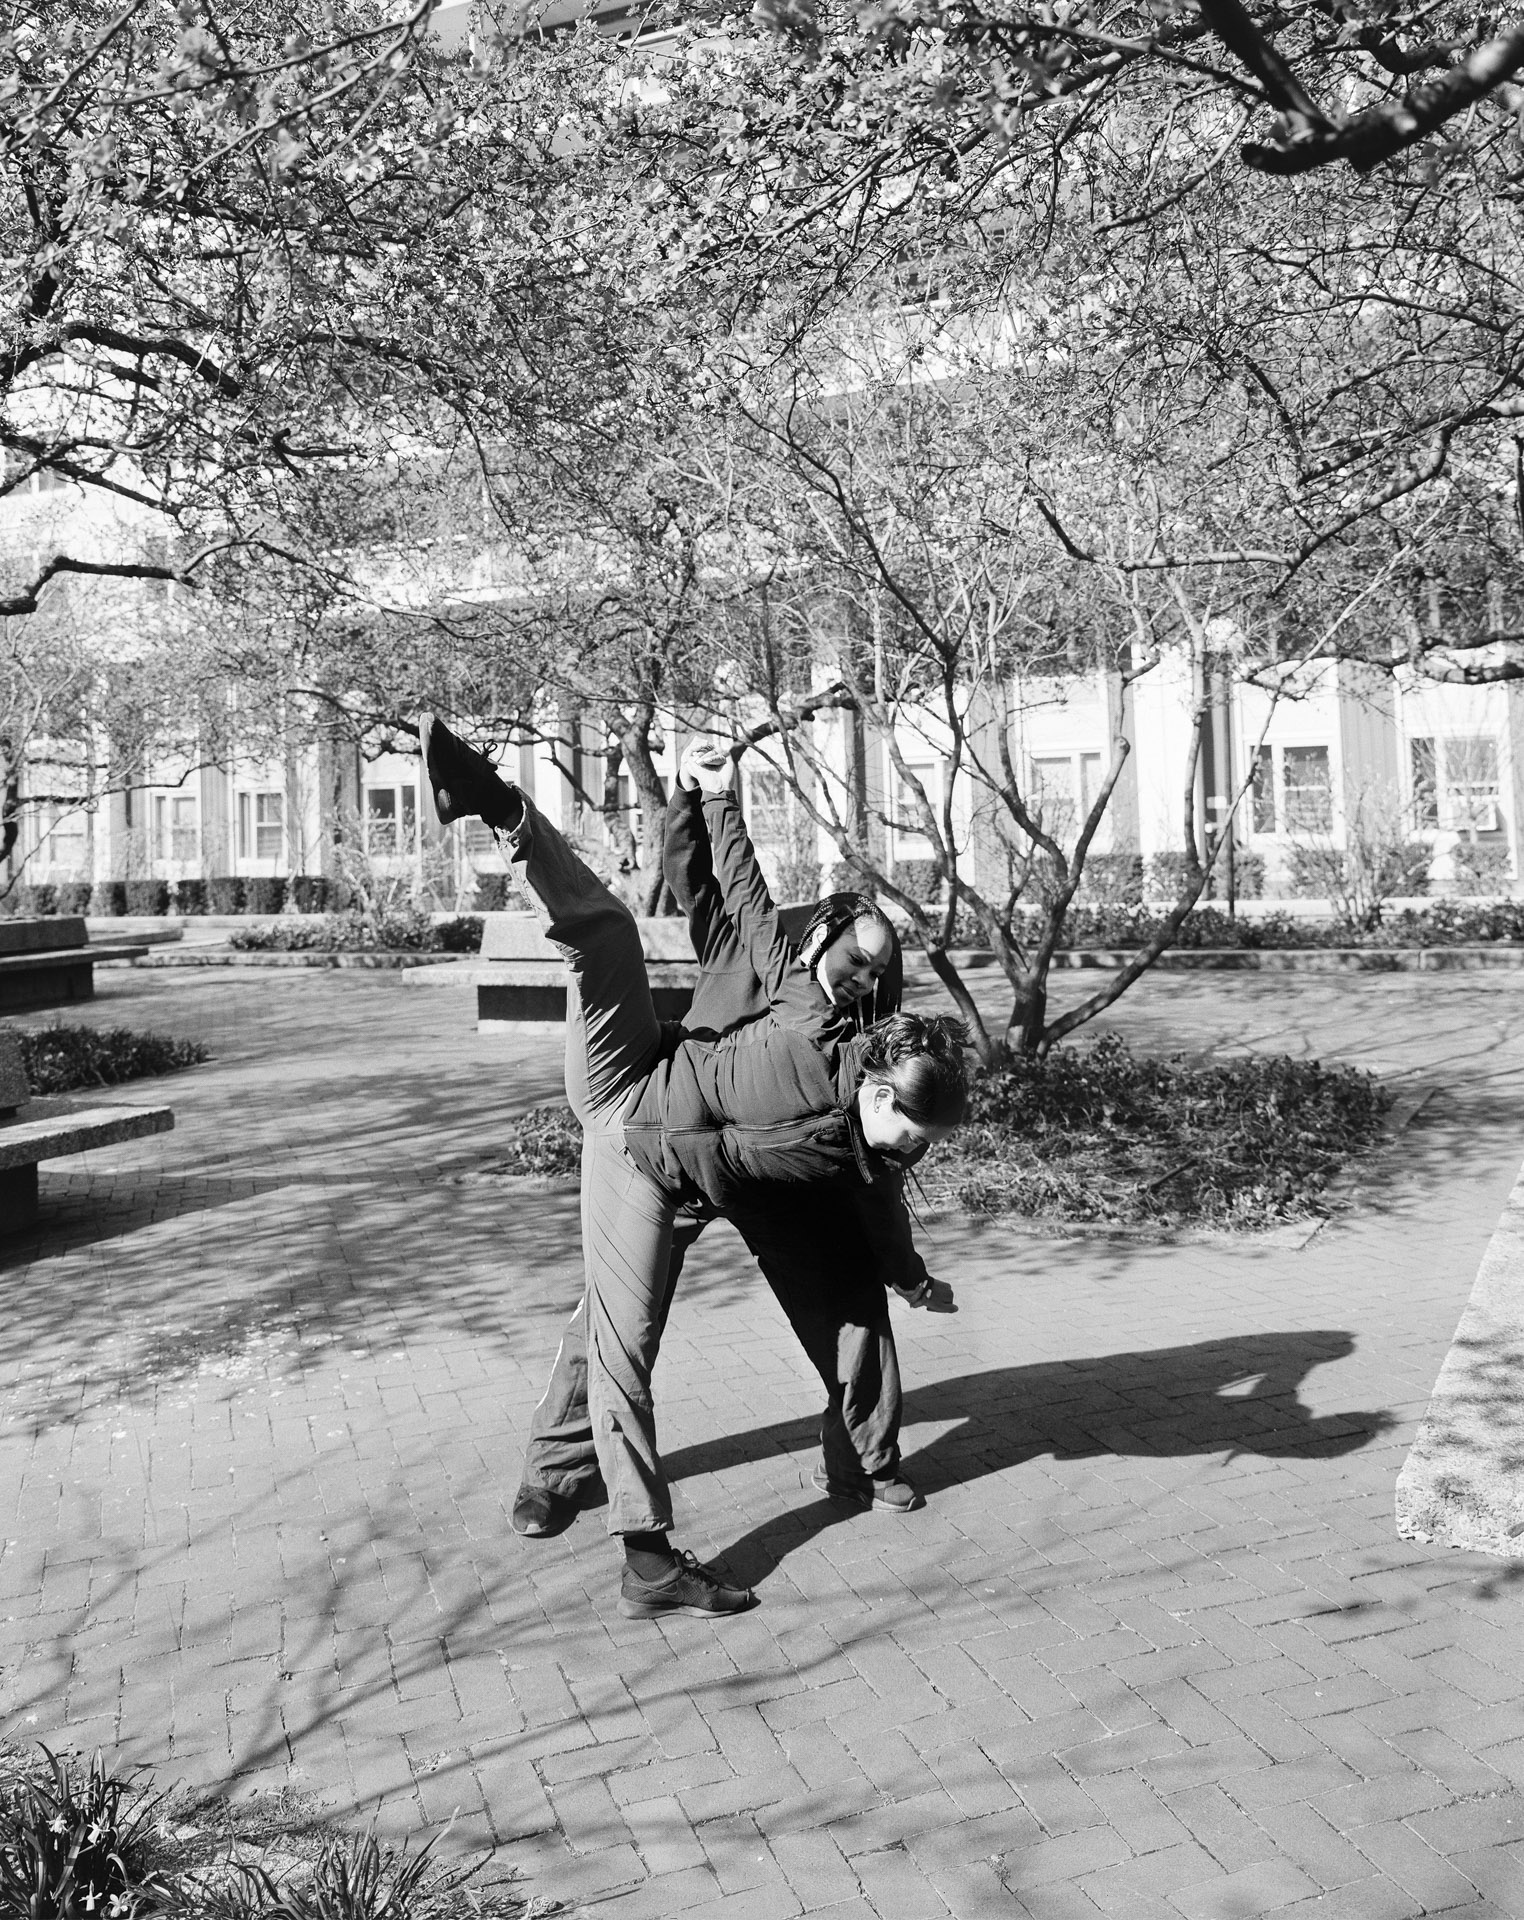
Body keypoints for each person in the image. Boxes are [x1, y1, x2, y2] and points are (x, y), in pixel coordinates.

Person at [419, 715, 968, 1621]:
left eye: (879, 972)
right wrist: (702, 793)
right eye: (854, 960)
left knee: (850, 1298)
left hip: (759, 1166)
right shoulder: (783, 956)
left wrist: (906, 1271)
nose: (865, 976)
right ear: (823, 940)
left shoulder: (867, 1062)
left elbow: (883, 1187)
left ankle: (867, 1461)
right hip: (656, 1110)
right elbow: (720, 888)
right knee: (611, 1324)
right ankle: (560, 1474)